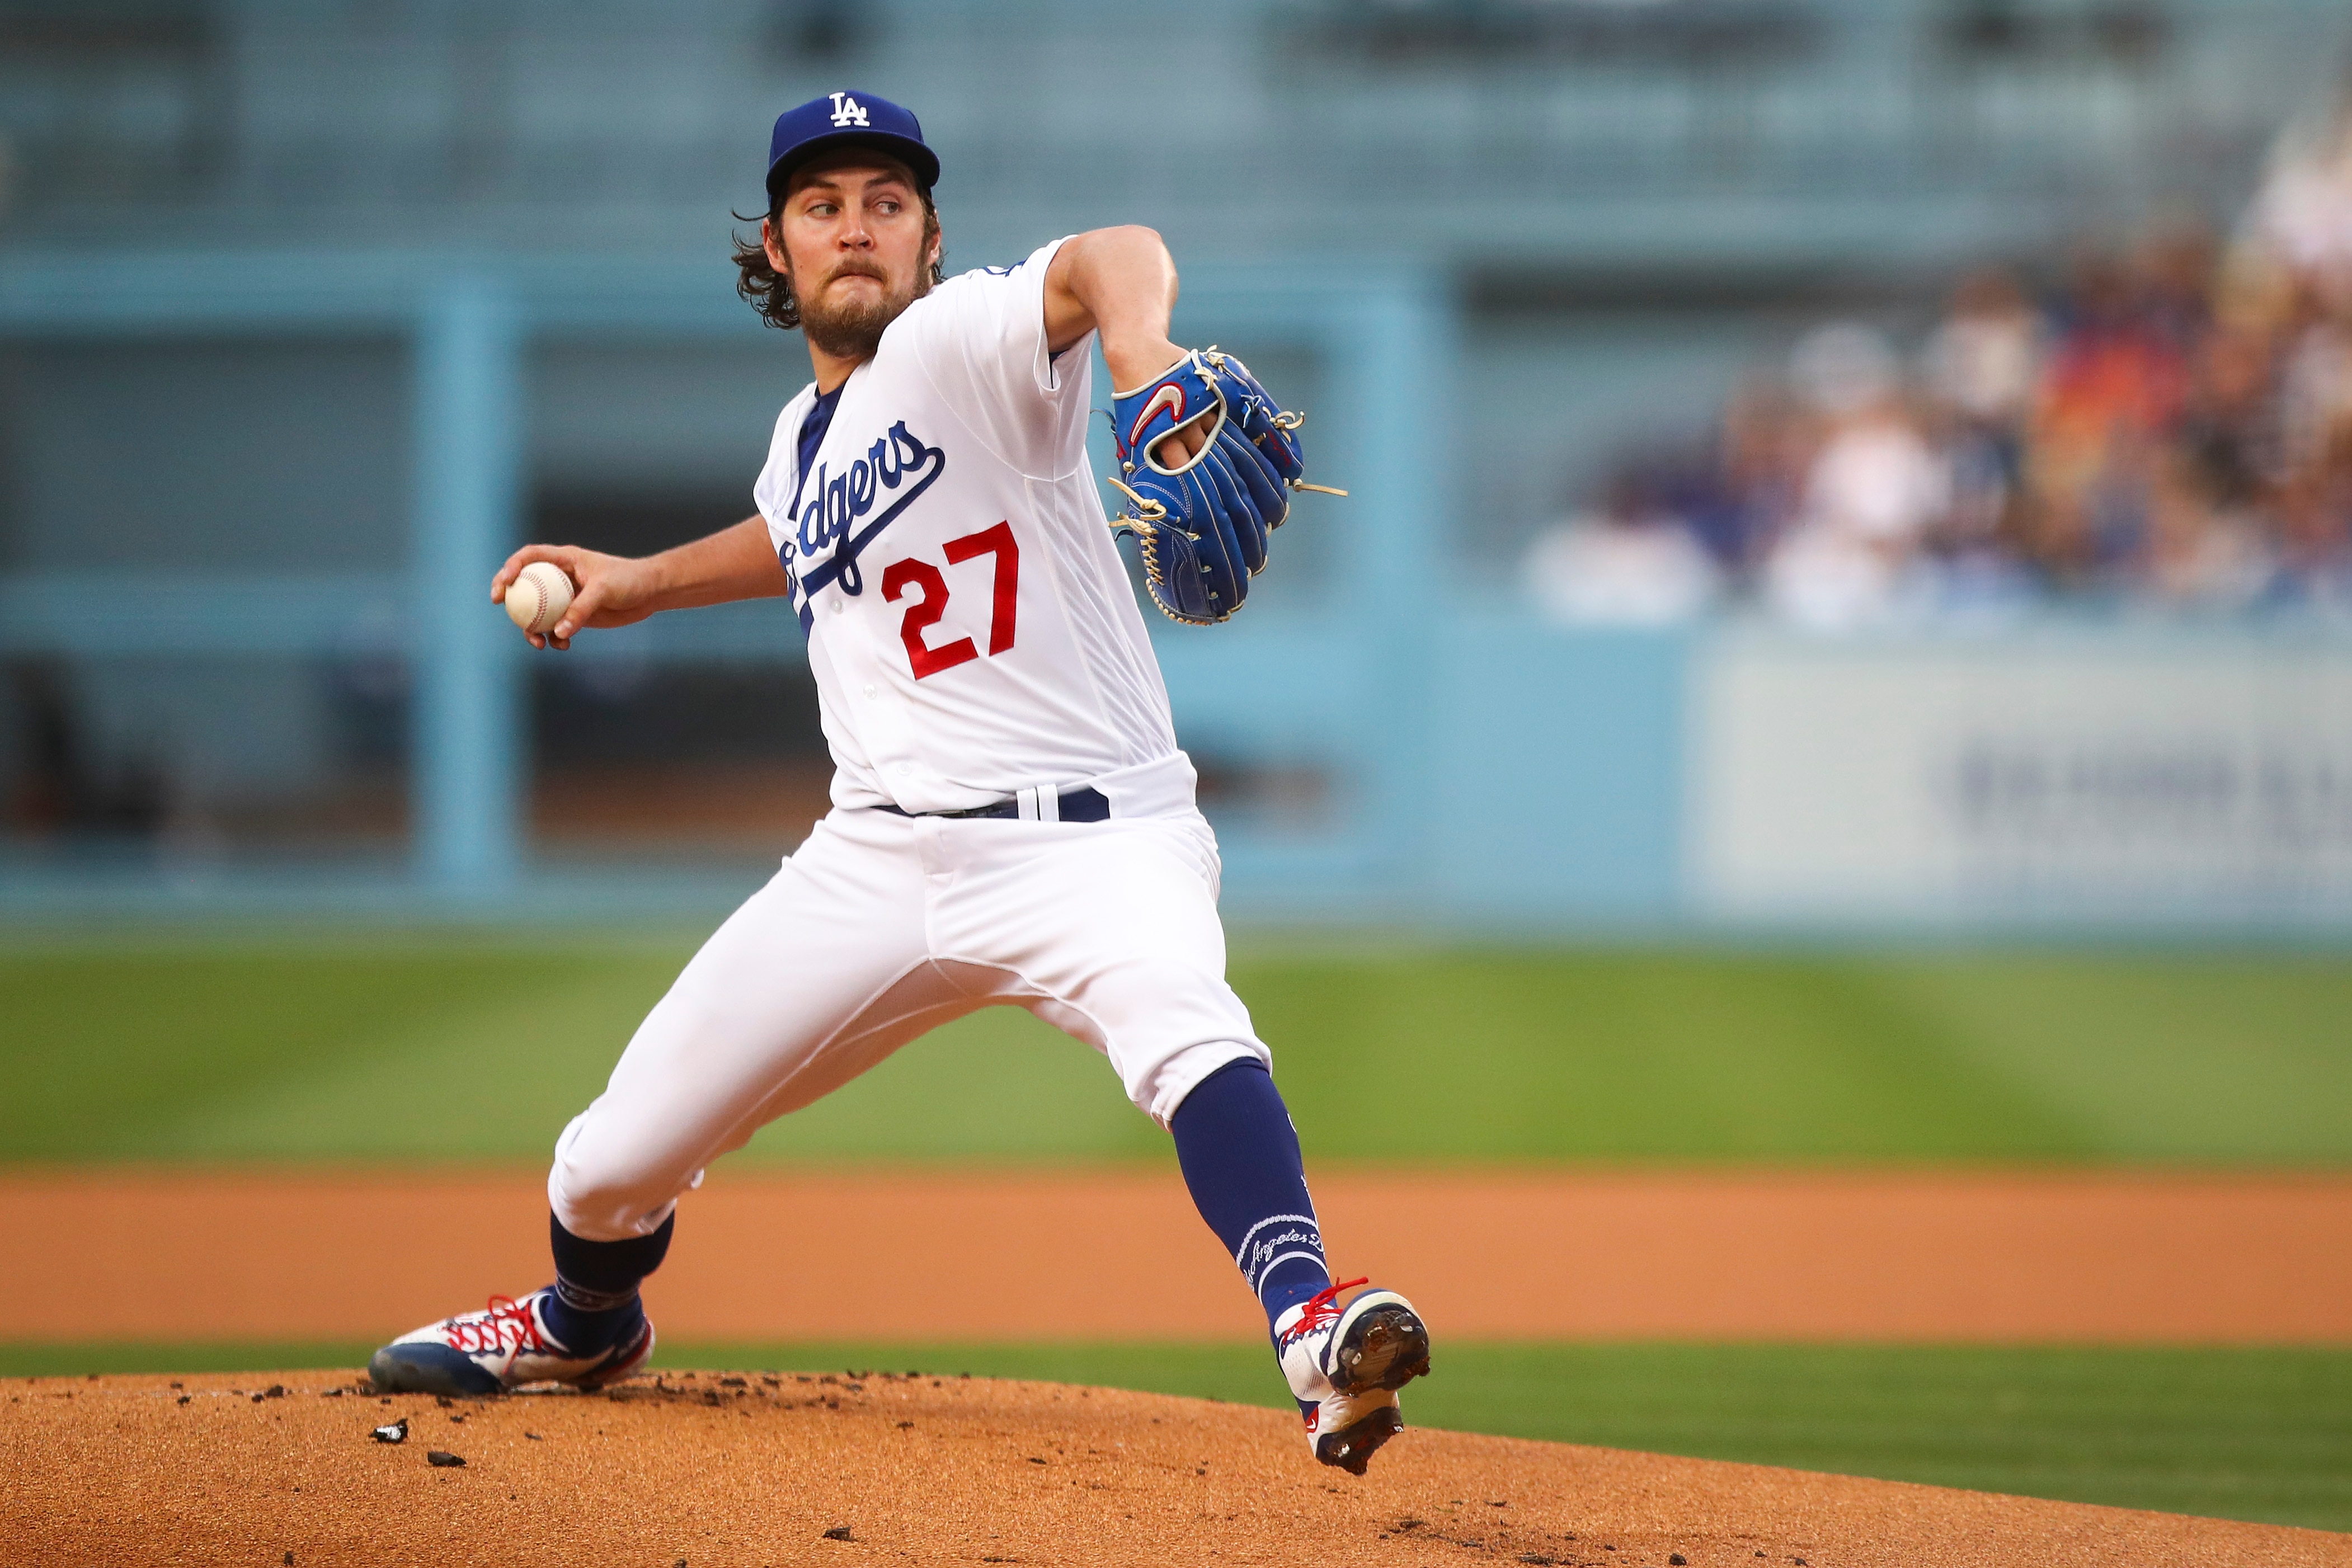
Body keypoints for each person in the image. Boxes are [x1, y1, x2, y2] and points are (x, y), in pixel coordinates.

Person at [367, 90, 1430, 1476]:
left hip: (1091, 840)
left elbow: (1110, 250)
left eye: (886, 201)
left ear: (930, 240)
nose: (855, 226)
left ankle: (1312, 1320)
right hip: (873, 861)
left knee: (1182, 1021)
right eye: (822, 205)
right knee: (605, 1164)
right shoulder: (799, 440)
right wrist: (644, 583)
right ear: (775, 248)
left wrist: (1143, 356)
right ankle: (585, 1321)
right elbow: (796, 527)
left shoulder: (959, 339)